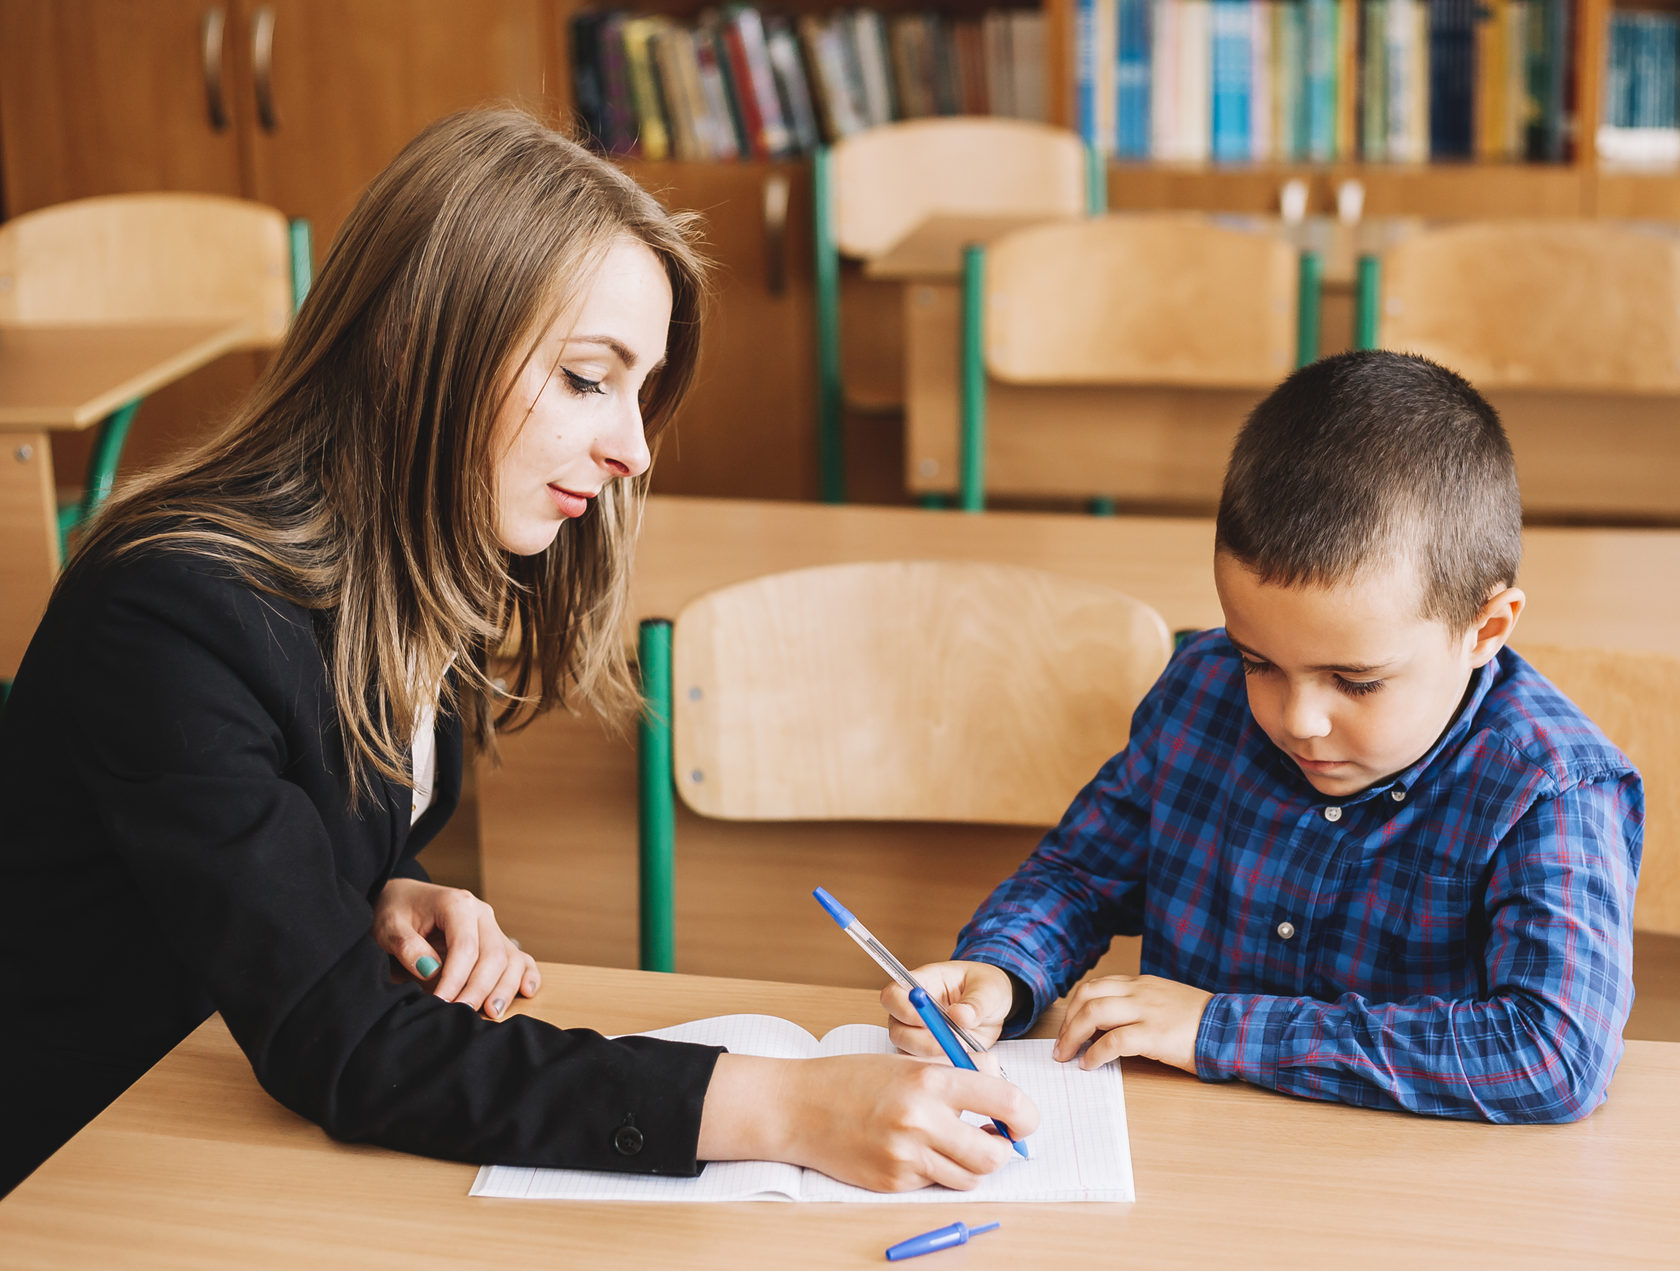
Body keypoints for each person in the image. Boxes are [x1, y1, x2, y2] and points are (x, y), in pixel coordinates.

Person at [0, 107, 1034, 1197]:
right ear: (415, 344)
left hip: (206, 1121)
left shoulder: (427, 551)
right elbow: (341, 1041)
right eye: (591, 378)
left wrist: (376, 885)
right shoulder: (167, 613)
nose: (633, 447)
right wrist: (788, 1103)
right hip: (67, 1169)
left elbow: (252, 835)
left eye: (642, 391)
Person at [885, 350, 1643, 1124]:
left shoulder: (1551, 788)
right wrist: (1003, 971)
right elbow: (1079, 875)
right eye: (1260, 660)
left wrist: (1221, 1028)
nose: (1297, 719)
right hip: (1190, 1158)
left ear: (1485, 628)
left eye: (1356, 680)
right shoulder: (1201, 690)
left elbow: (1551, 1053)